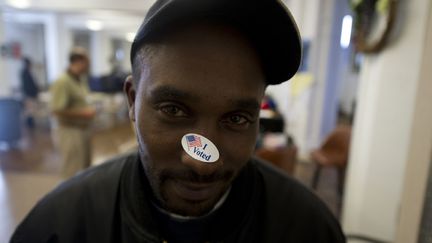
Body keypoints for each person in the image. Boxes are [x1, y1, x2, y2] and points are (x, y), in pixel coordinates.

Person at [11, 0, 346, 242]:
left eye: (237, 118)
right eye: (173, 110)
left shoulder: (308, 228)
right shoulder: (60, 226)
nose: (201, 164)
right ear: (132, 100)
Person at [49, 47, 95, 178]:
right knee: (71, 171)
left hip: (83, 130)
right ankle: (68, 199)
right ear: (78, 61)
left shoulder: (80, 80)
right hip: (70, 132)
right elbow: (56, 110)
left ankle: (82, 197)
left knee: (85, 169)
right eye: (87, 62)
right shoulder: (62, 81)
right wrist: (83, 113)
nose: (88, 66)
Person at [20, 57, 39, 129]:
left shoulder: (28, 72)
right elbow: (28, 85)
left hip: (30, 94)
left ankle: (31, 123)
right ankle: (30, 124)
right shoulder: (25, 73)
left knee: (31, 110)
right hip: (29, 94)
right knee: (29, 110)